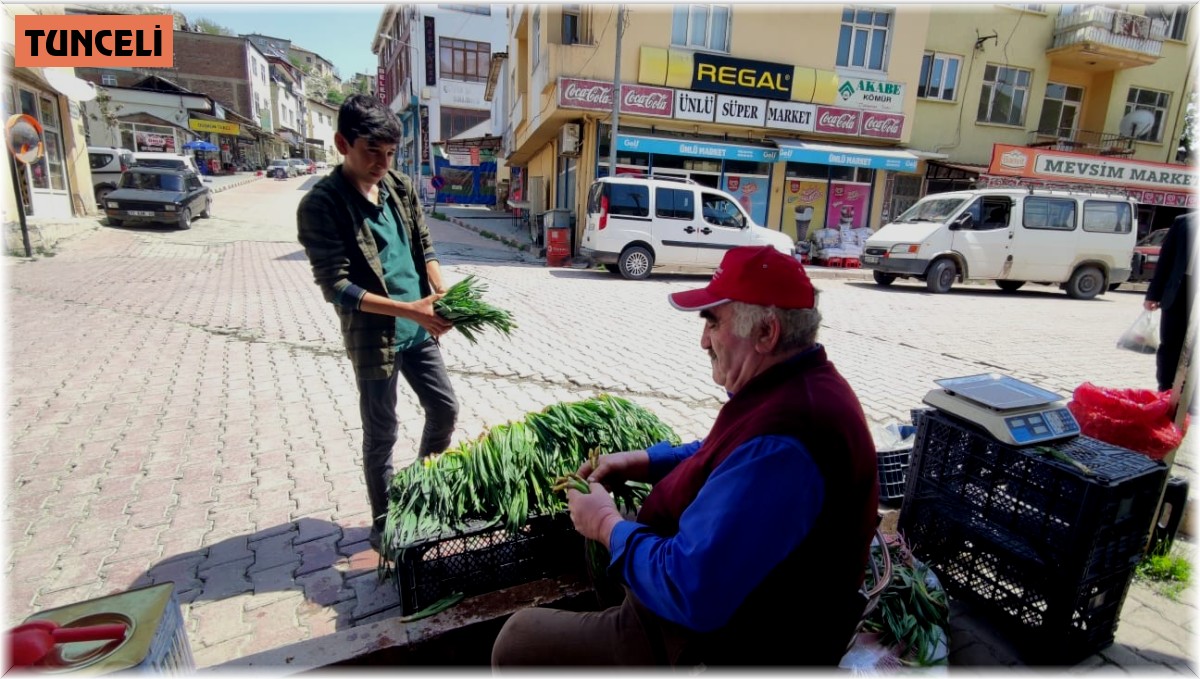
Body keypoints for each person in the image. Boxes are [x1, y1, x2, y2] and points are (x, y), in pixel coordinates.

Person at [492, 245, 879, 667]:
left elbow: (691, 589)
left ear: (766, 333)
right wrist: (646, 460)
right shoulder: (793, 386)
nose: (702, 341)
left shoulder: (789, 436)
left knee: (517, 641)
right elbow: (727, 452)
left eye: (713, 323)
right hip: (724, 606)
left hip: (726, 641)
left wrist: (605, 524)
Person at [296, 94, 458, 552]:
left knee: (444, 409)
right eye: (372, 152)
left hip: (418, 329)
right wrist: (410, 310)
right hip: (374, 337)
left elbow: (423, 245)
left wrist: (439, 289)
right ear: (342, 143)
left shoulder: (400, 188)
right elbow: (337, 287)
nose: (382, 163)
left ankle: (422, 490)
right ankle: (384, 522)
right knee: (382, 432)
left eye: (389, 154)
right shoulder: (321, 205)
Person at [1144, 212, 1196, 393]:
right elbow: (1165, 260)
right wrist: (1153, 294)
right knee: (1170, 346)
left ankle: (1190, 399)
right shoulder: (1184, 223)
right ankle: (1166, 391)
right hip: (1178, 293)